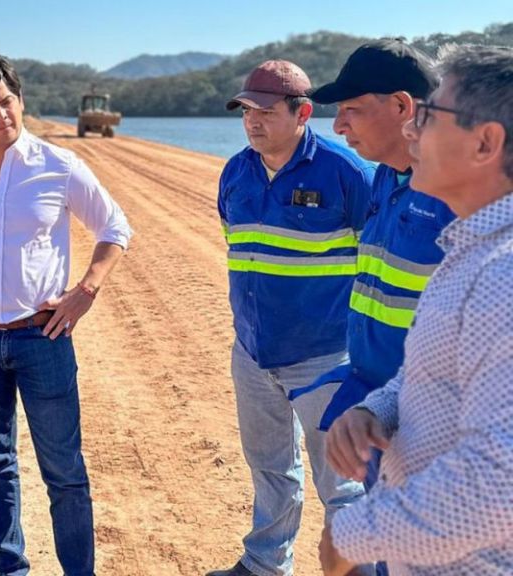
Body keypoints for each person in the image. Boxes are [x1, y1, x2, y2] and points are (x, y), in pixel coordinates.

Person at [0, 54, 131, 576]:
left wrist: (86, 291)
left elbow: (115, 228)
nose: (1, 115)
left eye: (7, 102)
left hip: (44, 339)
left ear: (21, 101)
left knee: (65, 472)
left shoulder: (58, 166)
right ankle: (10, 567)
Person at [320, 44, 513, 576]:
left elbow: (499, 484)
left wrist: (350, 536)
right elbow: (433, 364)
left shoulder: (503, 274)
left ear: (486, 143)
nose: (412, 132)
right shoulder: (474, 247)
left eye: (428, 116)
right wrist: (375, 409)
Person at [209, 59, 375, 576]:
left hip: (325, 358)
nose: (252, 122)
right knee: (270, 470)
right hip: (253, 353)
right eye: (245, 112)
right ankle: (265, 564)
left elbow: (378, 262)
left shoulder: (347, 173)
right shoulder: (236, 171)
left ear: (303, 112)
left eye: (264, 111)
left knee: (343, 480)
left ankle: (359, 568)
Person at [300, 39, 455, 576]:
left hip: (432, 425)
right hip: (379, 406)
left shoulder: (462, 193)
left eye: (351, 110)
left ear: (402, 107)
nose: (338, 127)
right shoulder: (386, 175)